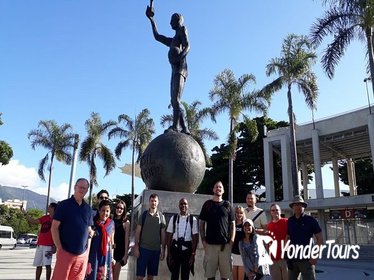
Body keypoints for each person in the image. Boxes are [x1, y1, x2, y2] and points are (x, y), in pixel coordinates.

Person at [145, 5, 190, 134]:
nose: (170, 22)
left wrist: (179, 58)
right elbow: (157, 36)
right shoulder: (172, 41)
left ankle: (177, 126)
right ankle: (185, 128)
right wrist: (151, 19)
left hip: (181, 69)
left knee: (176, 100)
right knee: (174, 100)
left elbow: (188, 46)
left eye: (172, 20)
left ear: (177, 20)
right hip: (174, 70)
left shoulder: (182, 29)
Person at [51, 178, 93, 280]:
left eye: (84, 188)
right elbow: (54, 227)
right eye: (80, 187)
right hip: (65, 252)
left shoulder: (88, 209)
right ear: (75, 187)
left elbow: (89, 229)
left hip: (81, 256)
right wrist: (59, 248)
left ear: (87, 190)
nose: (82, 190)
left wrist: (87, 252)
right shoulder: (63, 205)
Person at [199, 181, 235, 280]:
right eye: (216, 187)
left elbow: (233, 224)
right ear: (213, 189)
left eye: (220, 187)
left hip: (225, 246)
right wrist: (203, 240)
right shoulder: (207, 204)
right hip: (210, 246)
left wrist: (231, 241)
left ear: (223, 190)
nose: (218, 188)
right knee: (210, 276)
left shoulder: (227, 205)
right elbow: (201, 223)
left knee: (225, 277)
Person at [287, 195, 323, 280]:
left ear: (304, 206)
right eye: (295, 205)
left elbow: (320, 239)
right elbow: (287, 238)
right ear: (292, 207)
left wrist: (315, 255)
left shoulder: (311, 220)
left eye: (300, 204)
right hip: (293, 259)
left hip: (307, 260)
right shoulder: (290, 221)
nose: (297, 207)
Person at [134, 193, 166, 280]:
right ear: (149, 202)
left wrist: (163, 249)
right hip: (143, 249)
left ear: (158, 202)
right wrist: (136, 247)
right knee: (140, 276)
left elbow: (163, 234)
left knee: (150, 276)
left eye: (155, 201)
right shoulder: (143, 215)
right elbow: (137, 231)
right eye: (152, 201)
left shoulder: (161, 217)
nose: (153, 203)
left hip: (155, 251)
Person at [166, 198, 199, 280]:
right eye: (181, 204)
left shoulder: (193, 220)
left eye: (185, 204)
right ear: (179, 206)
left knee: (185, 276)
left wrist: (193, 255)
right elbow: (169, 235)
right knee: (174, 276)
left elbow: (195, 238)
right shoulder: (173, 218)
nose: (183, 206)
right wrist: (169, 253)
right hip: (175, 250)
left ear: (188, 206)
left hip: (187, 251)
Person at [25, 202, 57, 280]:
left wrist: (55, 245)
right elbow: (33, 221)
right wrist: (25, 214)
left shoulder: (56, 219)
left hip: (49, 246)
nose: (48, 207)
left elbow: (58, 232)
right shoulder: (44, 218)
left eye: (49, 206)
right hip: (40, 245)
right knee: (38, 265)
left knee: (47, 265)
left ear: (53, 208)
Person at [86, 199, 115, 280]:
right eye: (103, 210)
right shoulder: (93, 223)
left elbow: (112, 242)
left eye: (107, 211)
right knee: (93, 276)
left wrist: (112, 257)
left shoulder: (112, 223)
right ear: (99, 211)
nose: (105, 213)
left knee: (104, 276)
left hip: (106, 256)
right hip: (94, 255)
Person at [267, 203, 288, 280]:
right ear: (271, 212)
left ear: (280, 211)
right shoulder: (269, 225)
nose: (275, 211)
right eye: (273, 210)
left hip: (285, 258)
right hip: (273, 259)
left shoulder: (287, 222)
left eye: (277, 210)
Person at [113, 200, 130, 280]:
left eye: (121, 208)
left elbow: (127, 240)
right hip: (110, 251)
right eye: (117, 207)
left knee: (115, 277)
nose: (119, 209)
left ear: (124, 210)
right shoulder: (110, 220)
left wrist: (125, 255)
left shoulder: (126, 222)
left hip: (119, 252)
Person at [232, 206, 245, 280]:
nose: (239, 214)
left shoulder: (245, 225)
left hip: (242, 255)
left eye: (241, 213)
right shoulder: (231, 224)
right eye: (237, 212)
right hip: (233, 254)